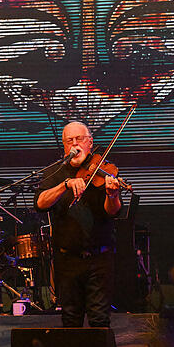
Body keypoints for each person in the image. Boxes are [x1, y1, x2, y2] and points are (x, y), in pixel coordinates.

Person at [34, 121, 122, 327]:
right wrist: (65, 185)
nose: (75, 144)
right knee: (70, 318)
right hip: (67, 259)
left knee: (99, 319)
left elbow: (113, 211)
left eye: (80, 139)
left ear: (90, 142)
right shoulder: (55, 172)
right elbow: (40, 203)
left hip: (99, 258)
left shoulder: (103, 169)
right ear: (65, 146)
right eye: (69, 141)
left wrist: (112, 195)